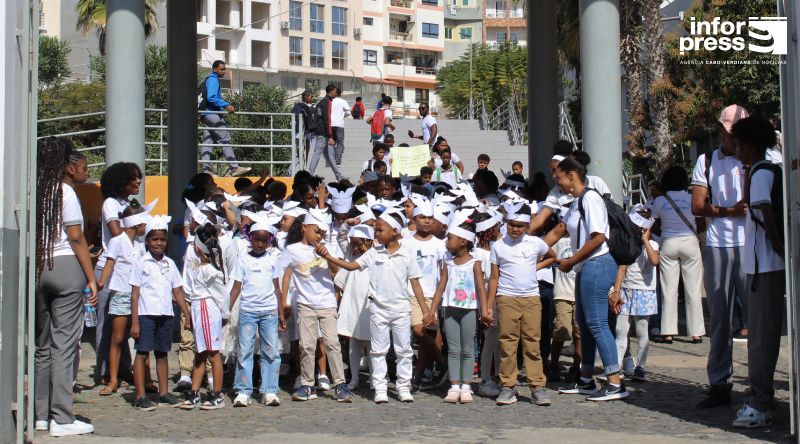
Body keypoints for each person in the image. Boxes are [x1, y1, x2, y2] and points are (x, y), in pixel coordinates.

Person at [319, 208, 429, 404]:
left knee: (403, 349)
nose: (376, 234)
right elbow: (352, 266)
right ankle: (380, 388)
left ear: (394, 231)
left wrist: (426, 311)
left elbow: (415, 283)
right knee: (378, 350)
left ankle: (404, 386)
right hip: (378, 308)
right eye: (376, 230)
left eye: (380, 230)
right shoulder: (373, 253)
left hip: (401, 309)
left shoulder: (407, 253)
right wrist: (329, 257)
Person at [34, 138, 97, 437]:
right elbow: (75, 237)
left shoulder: (37, 189)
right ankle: (62, 416)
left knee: (42, 345)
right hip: (66, 268)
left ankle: (40, 416)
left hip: (38, 269)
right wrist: (91, 277)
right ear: (68, 167)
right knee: (64, 345)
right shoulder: (66, 192)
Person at [553, 154, 627, 401]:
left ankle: (615, 382)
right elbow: (559, 230)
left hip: (597, 264)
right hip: (585, 267)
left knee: (597, 324)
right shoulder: (575, 202)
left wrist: (571, 261)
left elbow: (598, 237)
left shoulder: (591, 198)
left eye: (559, 178)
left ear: (572, 176)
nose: (558, 183)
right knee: (584, 325)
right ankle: (586, 380)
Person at [692, 104, 749, 408]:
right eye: (730, 134)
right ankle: (719, 383)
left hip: (751, 244)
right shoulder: (707, 161)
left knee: (758, 318)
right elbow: (698, 205)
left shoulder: (758, 158)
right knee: (720, 317)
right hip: (718, 244)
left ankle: (758, 383)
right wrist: (730, 211)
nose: (734, 140)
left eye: (739, 134)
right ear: (721, 131)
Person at [731, 116, 785, 428]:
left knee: (761, 340)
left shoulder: (762, 173)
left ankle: (761, 403)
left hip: (765, 266)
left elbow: (765, 215)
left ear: (748, 146)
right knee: (761, 339)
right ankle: (761, 396)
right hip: (761, 266)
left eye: (738, 144)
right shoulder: (761, 170)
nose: (735, 149)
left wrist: (777, 247)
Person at [280, 209, 353, 402]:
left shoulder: (328, 248)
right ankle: (307, 384)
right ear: (305, 228)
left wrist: (327, 256)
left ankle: (340, 383)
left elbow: (337, 272)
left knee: (332, 343)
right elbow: (285, 275)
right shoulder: (292, 250)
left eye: (322, 232)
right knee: (307, 345)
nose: (319, 235)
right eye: (316, 230)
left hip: (327, 302)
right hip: (305, 304)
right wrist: (284, 302)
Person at [487, 202, 555, 406]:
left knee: (532, 343)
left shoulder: (535, 243)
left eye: (519, 225)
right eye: (511, 224)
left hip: (531, 299)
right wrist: (490, 306)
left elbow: (552, 256)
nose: (515, 229)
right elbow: (493, 278)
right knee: (508, 343)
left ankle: (537, 387)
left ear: (526, 226)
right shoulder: (498, 246)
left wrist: (535, 267)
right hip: (507, 298)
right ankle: (508, 385)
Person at [424, 211, 488, 404]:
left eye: (449, 238)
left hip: (469, 310)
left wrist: (484, 311)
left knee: (468, 348)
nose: (445, 241)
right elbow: (440, 287)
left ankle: (466, 386)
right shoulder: (448, 263)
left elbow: (479, 288)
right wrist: (431, 311)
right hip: (450, 309)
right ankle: (454, 386)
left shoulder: (475, 263)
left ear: (462, 241)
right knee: (452, 348)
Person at [129, 215, 191, 411]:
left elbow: (177, 291)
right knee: (142, 353)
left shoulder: (170, 264)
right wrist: (135, 322)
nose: (159, 243)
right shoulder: (141, 263)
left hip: (165, 315)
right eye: (154, 239)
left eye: (162, 239)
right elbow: (135, 295)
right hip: (146, 315)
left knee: (163, 354)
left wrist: (186, 313)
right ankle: (140, 395)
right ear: (147, 241)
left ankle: (163, 392)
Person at [230, 215, 284, 407]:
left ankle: (269, 390)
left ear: (269, 241)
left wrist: (280, 312)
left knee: (271, 351)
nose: (260, 244)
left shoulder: (273, 259)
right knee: (244, 350)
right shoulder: (243, 260)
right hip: (248, 311)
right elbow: (236, 287)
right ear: (250, 239)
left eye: (264, 240)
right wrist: (227, 310)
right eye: (257, 240)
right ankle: (243, 390)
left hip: (269, 311)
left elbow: (277, 287)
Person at [95, 162, 142, 385]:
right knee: (106, 323)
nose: (138, 182)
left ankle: (123, 368)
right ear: (122, 181)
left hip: (128, 270)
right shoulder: (111, 203)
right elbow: (115, 231)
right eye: (134, 178)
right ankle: (105, 370)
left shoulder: (127, 203)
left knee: (123, 323)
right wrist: (135, 224)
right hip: (109, 267)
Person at [96, 203, 148, 397]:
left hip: (138, 295)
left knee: (142, 338)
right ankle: (112, 379)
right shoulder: (117, 241)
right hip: (120, 293)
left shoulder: (141, 246)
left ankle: (146, 379)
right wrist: (102, 283)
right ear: (136, 224)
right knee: (117, 339)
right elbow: (110, 264)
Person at [649, 166, 705, 344]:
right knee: (693, 289)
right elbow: (701, 224)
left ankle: (668, 332)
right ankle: (696, 332)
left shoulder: (659, 201)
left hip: (668, 243)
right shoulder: (691, 199)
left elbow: (655, 227)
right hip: (690, 242)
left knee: (668, 289)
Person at [178, 225, 230, 410]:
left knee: (213, 354)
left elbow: (222, 295)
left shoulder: (211, 272)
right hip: (199, 310)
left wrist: (225, 314)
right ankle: (194, 391)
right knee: (200, 353)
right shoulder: (203, 268)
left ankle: (217, 394)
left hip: (207, 311)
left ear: (198, 249)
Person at [612, 206, 660, 382]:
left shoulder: (653, 244)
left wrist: (645, 240)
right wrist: (616, 290)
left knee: (641, 331)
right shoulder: (626, 243)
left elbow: (655, 261)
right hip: (626, 290)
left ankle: (641, 367)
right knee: (621, 330)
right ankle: (616, 368)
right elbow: (622, 268)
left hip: (644, 292)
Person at [405, 197, 447, 389]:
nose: (427, 221)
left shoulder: (439, 244)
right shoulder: (406, 243)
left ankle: (420, 373)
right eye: (422, 217)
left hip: (432, 294)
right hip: (410, 292)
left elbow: (442, 272)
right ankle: (441, 362)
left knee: (425, 335)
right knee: (418, 330)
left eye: (430, 217)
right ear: (414, 219)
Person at [335, 224, 374, 390]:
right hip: (352, 300)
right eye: (354, 244)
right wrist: (347, 224)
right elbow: (340, 237)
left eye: (359, 244)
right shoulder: (351, 253)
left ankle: (374, 378)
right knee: (353, 341)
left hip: (368, 302)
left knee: (371, 343)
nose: (356, 247)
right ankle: (355, 377)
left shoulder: (374, 254)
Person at [198, 60, 251, 177]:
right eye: (222, 69)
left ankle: (206, 171)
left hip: (204, 114)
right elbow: (211, 97)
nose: (224, 71)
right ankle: (234, 168)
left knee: (208, 142)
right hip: (212, 114)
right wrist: (226, 105)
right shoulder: (213, 80)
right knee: (225, 138)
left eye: (224, 69)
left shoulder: (209, 79)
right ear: (215, 69)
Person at [550, 233, 581, 382]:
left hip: (579, 292)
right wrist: (563, 261)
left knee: (579, 333)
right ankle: (553, 364)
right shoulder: (559, 241)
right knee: (561, 330)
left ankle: (577, 366)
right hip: (562, 293)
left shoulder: (584, 238)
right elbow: (549, 255)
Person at [308, 85, 343, 181]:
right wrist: (330, 136)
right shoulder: (327, 102)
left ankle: (339, 176)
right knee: (317, 153)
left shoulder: (322, 102)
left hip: (322, 132)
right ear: (331, 91)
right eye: (335, 92)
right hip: (323, 133)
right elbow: (327, 119)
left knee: (330, 155)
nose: (336, 94)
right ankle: (310, 175)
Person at [291, 90, 319, 162]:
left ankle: (300, 168)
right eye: (311, 96)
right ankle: (291, 170)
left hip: (301, 133)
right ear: (306, 97)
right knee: (302, 154)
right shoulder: (308, 107)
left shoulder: (298, 105)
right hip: (305, 133)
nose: (312, 98)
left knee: (302, 154)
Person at [330, 87, 351, 165]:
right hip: (339, 125)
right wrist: (343, 116)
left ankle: (331, 159)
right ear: (340, 94)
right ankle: (338, 161)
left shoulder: (329, 101)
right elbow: (348, 112)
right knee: (339, 143)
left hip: (330, 124)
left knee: (331, 142)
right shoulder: (343, 101)